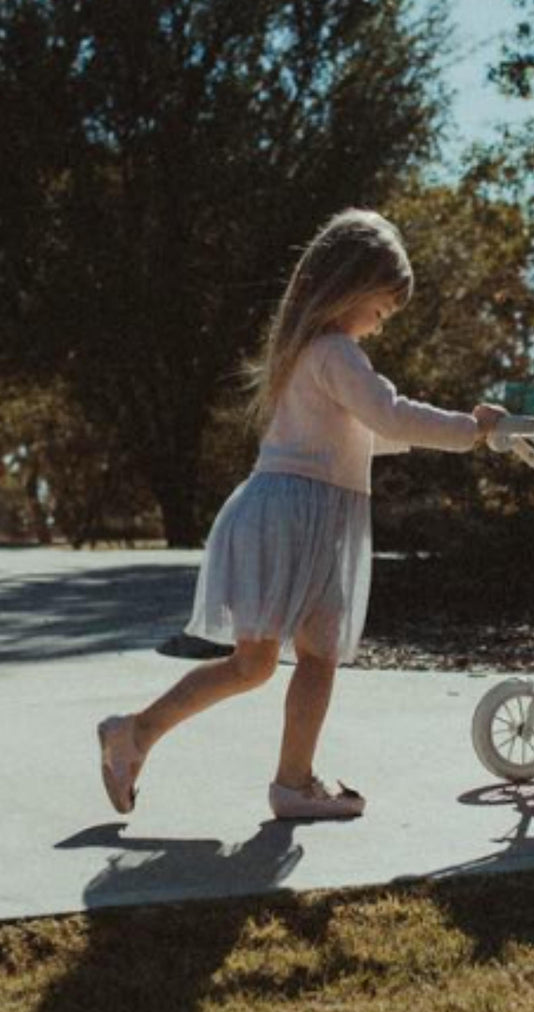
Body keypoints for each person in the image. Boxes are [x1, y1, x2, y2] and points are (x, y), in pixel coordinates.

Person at [97, 208, 506, 821]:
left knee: (280, 661)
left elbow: (367, 431)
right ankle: (146, 735)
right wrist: (469, 429)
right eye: (381, 310)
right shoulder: (335, 351)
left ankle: (268, 775)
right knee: (273, 661)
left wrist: (454, 435)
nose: (378, 326)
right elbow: (390, 414)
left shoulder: (311, 353)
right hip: (294, 521)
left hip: (290, 516)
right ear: (350, 285)